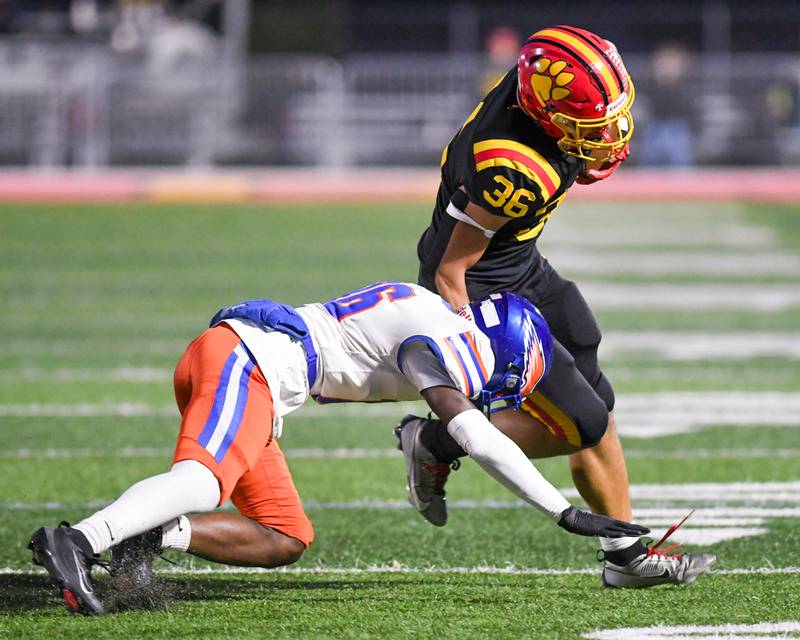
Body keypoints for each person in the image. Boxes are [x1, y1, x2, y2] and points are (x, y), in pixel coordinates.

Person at [28, 281, 648, 616]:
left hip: (262, 381)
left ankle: (149, 538)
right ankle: (79, 540)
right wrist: (562, 511)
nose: (495, 393)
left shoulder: (433, 313)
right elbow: (474, 433)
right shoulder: (438, 339)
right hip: (249, 363)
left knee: (285, 535)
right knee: (205, 479)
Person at [403, 25, 716, 588]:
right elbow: (452, 269)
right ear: (549, 119)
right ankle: (437, 440)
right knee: (584, 423)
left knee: (599, 401)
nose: (610, 134)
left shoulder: (538, 88)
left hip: (522, 266)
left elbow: (560, 133)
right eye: (589, 127)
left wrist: (578, 151)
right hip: (481, 290)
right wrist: (474, 349)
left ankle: (623, 554)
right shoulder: (513, 168)